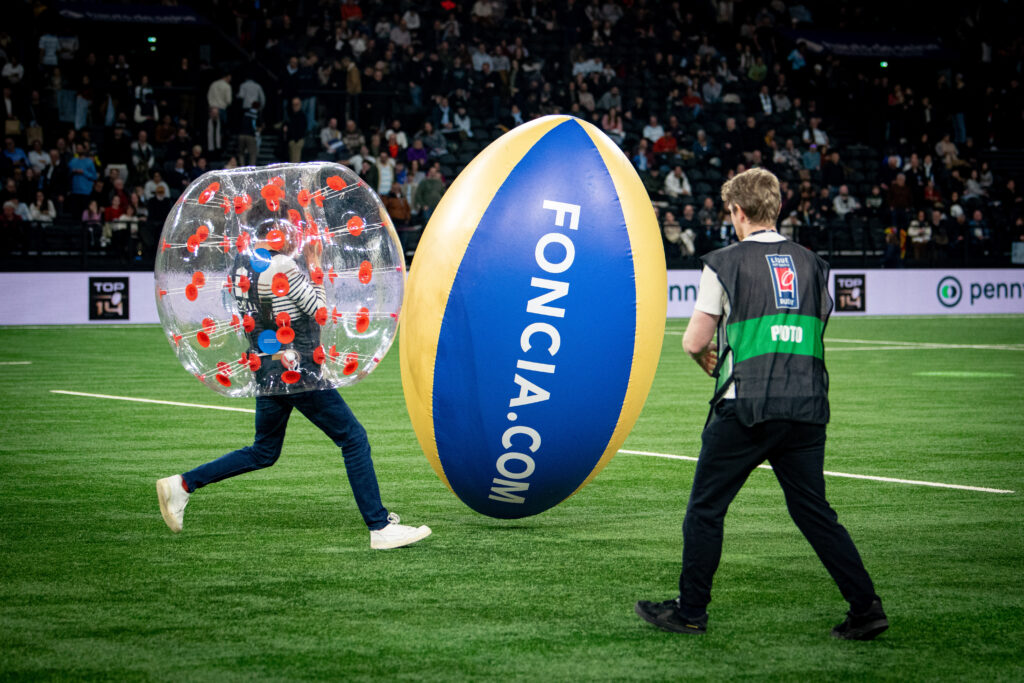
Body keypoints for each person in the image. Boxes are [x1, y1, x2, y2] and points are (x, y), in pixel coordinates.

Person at [635, 167, 887, 641]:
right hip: (807, 404)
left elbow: (694, 341)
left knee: (706, 509)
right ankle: (866, 607)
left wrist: (708, 360)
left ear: (739, 211)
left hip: (747, 404)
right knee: (814, 512)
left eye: (731, 212)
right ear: (777, 209)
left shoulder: (725, 263)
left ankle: (690, 612)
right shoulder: (814, 263)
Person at [156, 218, 432, 550]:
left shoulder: (242, 265)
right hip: (297, 369)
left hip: (267, 366)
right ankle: (378, 526)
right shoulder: (282, 264)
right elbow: (318, 310)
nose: (298, 237)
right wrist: (315, 269)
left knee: (264, 451)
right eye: (291, 229)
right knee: (353, 439)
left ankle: (182, 485)